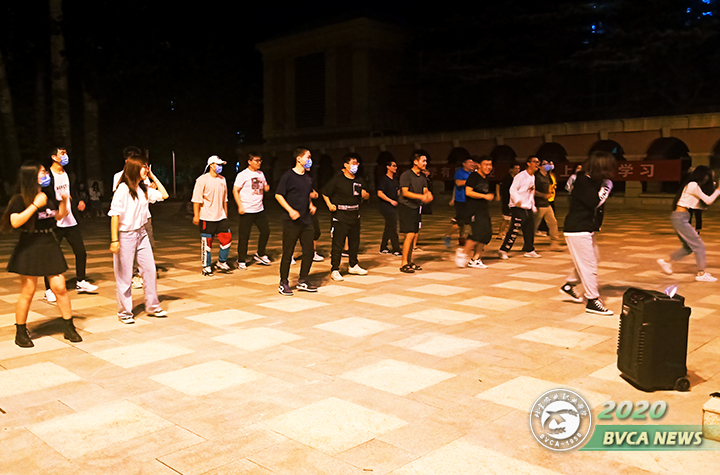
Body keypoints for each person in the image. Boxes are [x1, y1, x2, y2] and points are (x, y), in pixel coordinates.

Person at [1, 162, 82, 347]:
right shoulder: (19, 199)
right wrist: (34, 205)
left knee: (60, 287)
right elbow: (15, 222)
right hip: (29, 244)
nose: (46, 175)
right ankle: (21, 331)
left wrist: (64, 202)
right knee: (28, 290)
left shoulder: (47, 196)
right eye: (42, 172)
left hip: (48, 242)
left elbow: (58, 216)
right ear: (31, 176)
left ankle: (69, 326)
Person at [109, 155, 169, 323]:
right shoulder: (123, 189)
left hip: (141, 234)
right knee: (124, 276)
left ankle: (153, 306)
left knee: (150, 270)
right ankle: (125, 313)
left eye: (147, 167)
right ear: (134, 168)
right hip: (125, 235)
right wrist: (114, 240)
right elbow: (114, 215)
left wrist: (152, 176)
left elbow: (164, 195)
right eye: (143, 167)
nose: (146, 169)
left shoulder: (144, 188)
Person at [560, 151, 616, 315]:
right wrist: (606, 187)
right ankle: (592, 300)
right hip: (577, 229)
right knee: (588, 265)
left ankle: (569, 284)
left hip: (585, 227)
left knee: (592, 259)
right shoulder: (583, 181)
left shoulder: (590, 180)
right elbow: (594, 202)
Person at [43, 148, 98, 302]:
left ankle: (81, 281)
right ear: (53, 157)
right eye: (62, 153)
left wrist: (79, 201)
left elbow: (72, 192)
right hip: (55, 221)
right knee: (51, 255)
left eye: (66, 153)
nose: (65, 156)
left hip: (70, 220)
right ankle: (49, 289)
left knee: (81, 252)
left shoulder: (69, 174)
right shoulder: (47, 176)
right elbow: (45, 196)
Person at [657, 165, 720, 282]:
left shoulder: (694, 186)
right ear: (703, 175)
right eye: (708, 176)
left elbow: (704, 204)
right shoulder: (692, 185)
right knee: (699, 245)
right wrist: (718, 190)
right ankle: (701, 273)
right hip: (680, 218)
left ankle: (666, 261)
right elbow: (708, 200)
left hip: (681, 217)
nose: (708, 179)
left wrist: (715, 189)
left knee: (688, 248)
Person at [275, 147, 318, 296]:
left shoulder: (307, 177)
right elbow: (278, 195)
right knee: (288, 252)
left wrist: (311, 205)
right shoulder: (288, 176)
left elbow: (306, 194)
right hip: (291, 221)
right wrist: (290, 210)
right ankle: (283, 282)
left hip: (306, 220)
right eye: (308, 157)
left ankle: (303, 279)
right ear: (299, 159)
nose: (310, 160)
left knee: (309, 251)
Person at [322, 153, 370, 281]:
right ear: (346, 165)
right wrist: (330, 205)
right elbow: (325, 192)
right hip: (340, 216)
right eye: (353, 163)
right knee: (338, 244)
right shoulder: (338, 179)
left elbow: (367, 194)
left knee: (354, 243)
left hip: (355, 215)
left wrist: (365, 195)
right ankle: (335, 269)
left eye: (357, 163)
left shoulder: (359, 180)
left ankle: (353, 265)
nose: (355, 166)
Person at [192, 156, 232, 276]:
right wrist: (196, 215)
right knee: (207, 243)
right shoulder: (202, 180)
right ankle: (206, 266)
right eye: (218, 164)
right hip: (207, 217)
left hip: (221, 216)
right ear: (211, 165)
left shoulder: (222, 180)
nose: (220, 167)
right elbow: (196, 199)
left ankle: (222, 262)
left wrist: (225, 214)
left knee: (227, 239)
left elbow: (225, 199)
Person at [233, 152, 271, 270]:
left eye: (260, 160)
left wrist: (266, 187)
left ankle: (260, 253)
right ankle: (241, 260)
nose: (259, 163)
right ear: (249, 162)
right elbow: (235, 190)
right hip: (247, 209)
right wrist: (240, 206)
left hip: (259, 209)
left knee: (265, 231)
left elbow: (265, 186)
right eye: (256, 160)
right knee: (244, 236)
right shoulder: (242, 175)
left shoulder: (261, 174)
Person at [498, 156, 541, 259]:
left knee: (529, 228)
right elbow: (512, 189)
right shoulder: (521, 176)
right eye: (535, 162)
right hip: (517, 207)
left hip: (527, 207)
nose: (537, 164)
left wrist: (533, 205)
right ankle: (503, 250)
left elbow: (531, 192)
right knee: (515, 229)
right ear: (528, 163)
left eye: (538, 162)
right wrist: (517, 200)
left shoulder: (532, 177)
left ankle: (529, 249)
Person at [398, 150, 433, 273]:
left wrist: (428, 195)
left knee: (413, 235)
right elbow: (405, 192)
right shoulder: (406, 175)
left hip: (416, 207)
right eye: (423, 161)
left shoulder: (422, 177)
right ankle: (404, 263)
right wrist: (421, 197)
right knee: (409, 235)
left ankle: (409, 261)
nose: (425, 163)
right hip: (406, 207)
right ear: (415, 162)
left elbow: (425, 190)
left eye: (426, 161)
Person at [457, 156, 494, 268]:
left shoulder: (485, 178)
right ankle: (463, 253)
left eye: (490, 165)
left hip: (483, 210)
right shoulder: (474, 177)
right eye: (486, 164)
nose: (488, 167)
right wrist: (484, 196)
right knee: (477, 234)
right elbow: (468, 192)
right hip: (474, 210)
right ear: (479, 165)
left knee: (486, 234)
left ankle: (476, 259)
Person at [445, 157, 475, 247]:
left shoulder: (472, 173)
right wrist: (453, 198)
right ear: (464, 164)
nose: (472, 164)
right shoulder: (460, 172)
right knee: (460, 221)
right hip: (461, 200)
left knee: (467, 222)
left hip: (469, 200)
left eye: (472, 162)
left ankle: (462, 238)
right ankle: (447, 236)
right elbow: (458, 183)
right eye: (469, 162)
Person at [533, 159, 562, 251]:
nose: (547, 165)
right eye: (544, 164)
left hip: (546, 204)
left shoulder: (548, 176)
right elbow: (532, 190)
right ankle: (528, 244)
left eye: (548, 164)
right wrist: (543, 195)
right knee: (534, 225)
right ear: (539, 167)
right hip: (539, 205)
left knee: (553, 223)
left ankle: (554, 243)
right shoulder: (536, 177)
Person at [377, 159, 401, 256]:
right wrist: (390, 200)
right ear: (388, 167)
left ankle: (383, 247)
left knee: (389, 227)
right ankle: (396, 249)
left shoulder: (395, 181)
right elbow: (379, 193)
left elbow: (398, 192)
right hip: (386, 206)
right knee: (393, 226)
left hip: (394, 206)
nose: (395, 168)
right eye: (393, 166)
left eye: (396, 166)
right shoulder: (383, 180)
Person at [496, 162, 520, 240]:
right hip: (507, 200)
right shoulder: (507, 178)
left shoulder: (518, 178)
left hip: (514, 201)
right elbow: (498, 185)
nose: (517, 170)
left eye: (518, 168)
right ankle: (500, 234)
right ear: (511, 170)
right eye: (515, 168)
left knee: (512, 219)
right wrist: (498, 195)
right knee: (506, 218)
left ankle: (505, 232)